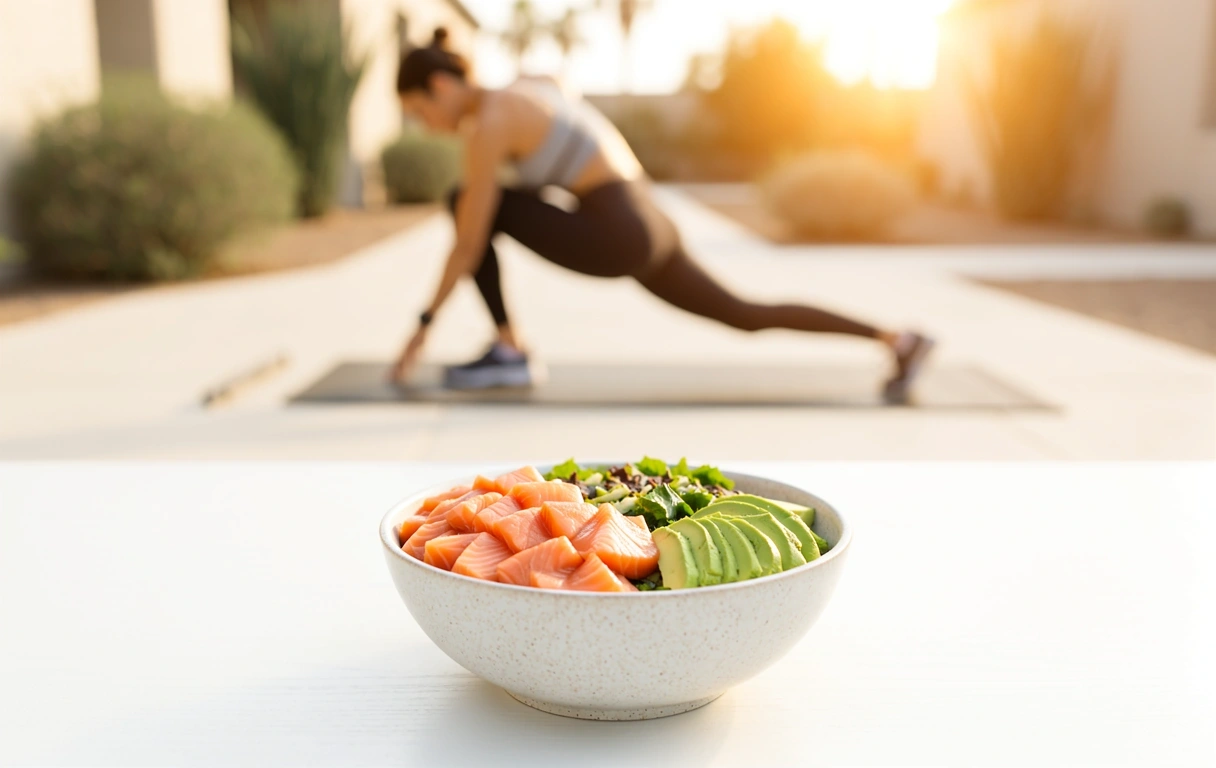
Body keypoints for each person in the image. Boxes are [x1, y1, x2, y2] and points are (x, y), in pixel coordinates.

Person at [390, 28, 934, 401]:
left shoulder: (489, 124)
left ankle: (510, 351)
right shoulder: (530, 86)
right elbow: (567, 113)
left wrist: (422, 328)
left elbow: (469, 242)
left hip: (617, 230)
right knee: (744, 313)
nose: (425, 125)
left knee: (465, 201)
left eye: (420, 110)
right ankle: (898, 339)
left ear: (441, 85)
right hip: (650, 219)